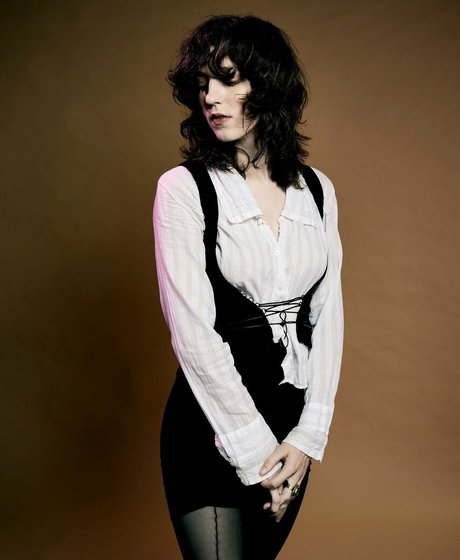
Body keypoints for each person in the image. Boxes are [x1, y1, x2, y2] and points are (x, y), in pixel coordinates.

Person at [153, 14, 343, 559]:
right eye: (202, 84)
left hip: (290, 433)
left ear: (268, 84)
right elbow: (193, 333)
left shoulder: (318, 191)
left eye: (228, 79)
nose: (210, 97)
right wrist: (256, 452)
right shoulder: (183, 189)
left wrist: (307, 437)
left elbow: (329, 315)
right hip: (214, 425)